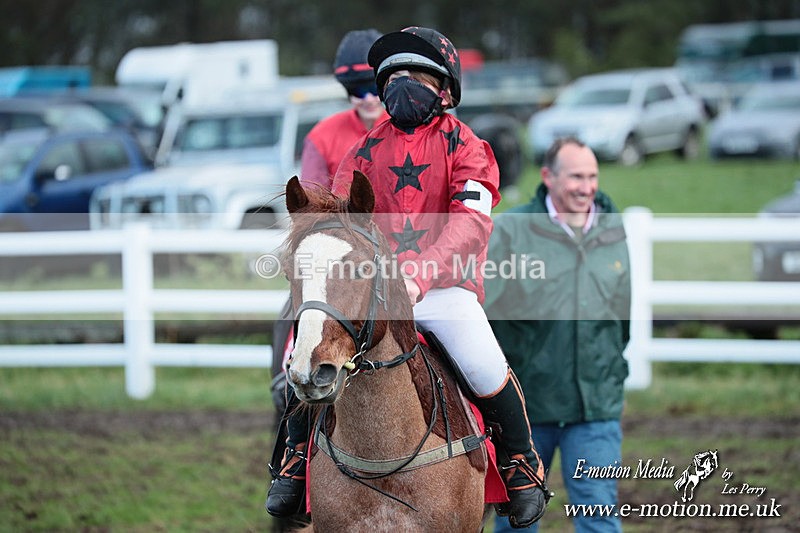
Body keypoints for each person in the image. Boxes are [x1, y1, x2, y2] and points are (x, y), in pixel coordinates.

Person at [266, 26, 550, 530]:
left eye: (416, 76)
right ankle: (292, 463)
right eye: (393, 77)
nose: (402, 85)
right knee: (306, 354)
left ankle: (521, 467)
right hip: (374, 290)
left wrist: (420, 273)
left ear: (444, 89)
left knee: (486, 367)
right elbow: (339, 220)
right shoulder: (365, 150)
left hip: (443, 290)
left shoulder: (470, 148)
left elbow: (470, 223)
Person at [266, 28, 388, 525]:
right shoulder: (323, 136)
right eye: (352, 89)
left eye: (371, 87)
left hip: (403, 266)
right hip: (337, 266)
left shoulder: (413, 133)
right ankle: (293, 454)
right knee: (291, 320)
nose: (364, 99)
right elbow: (307, 208)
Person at [483, 137, 631, 533]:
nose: (587, 187)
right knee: (519, 519)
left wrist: (611, 370)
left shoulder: (612, 231)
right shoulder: (512, 232)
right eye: (576, 177)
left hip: (595, 405)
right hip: (527, 410)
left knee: (598, 512)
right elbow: (486, 313)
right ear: (548, 177)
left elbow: (622, 316)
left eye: (593, 176)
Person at [299, 28, 389, 188]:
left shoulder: (412, 130)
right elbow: (310, 206)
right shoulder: (320, 137)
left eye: (375, 90)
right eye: (358, 92)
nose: (368, 99)